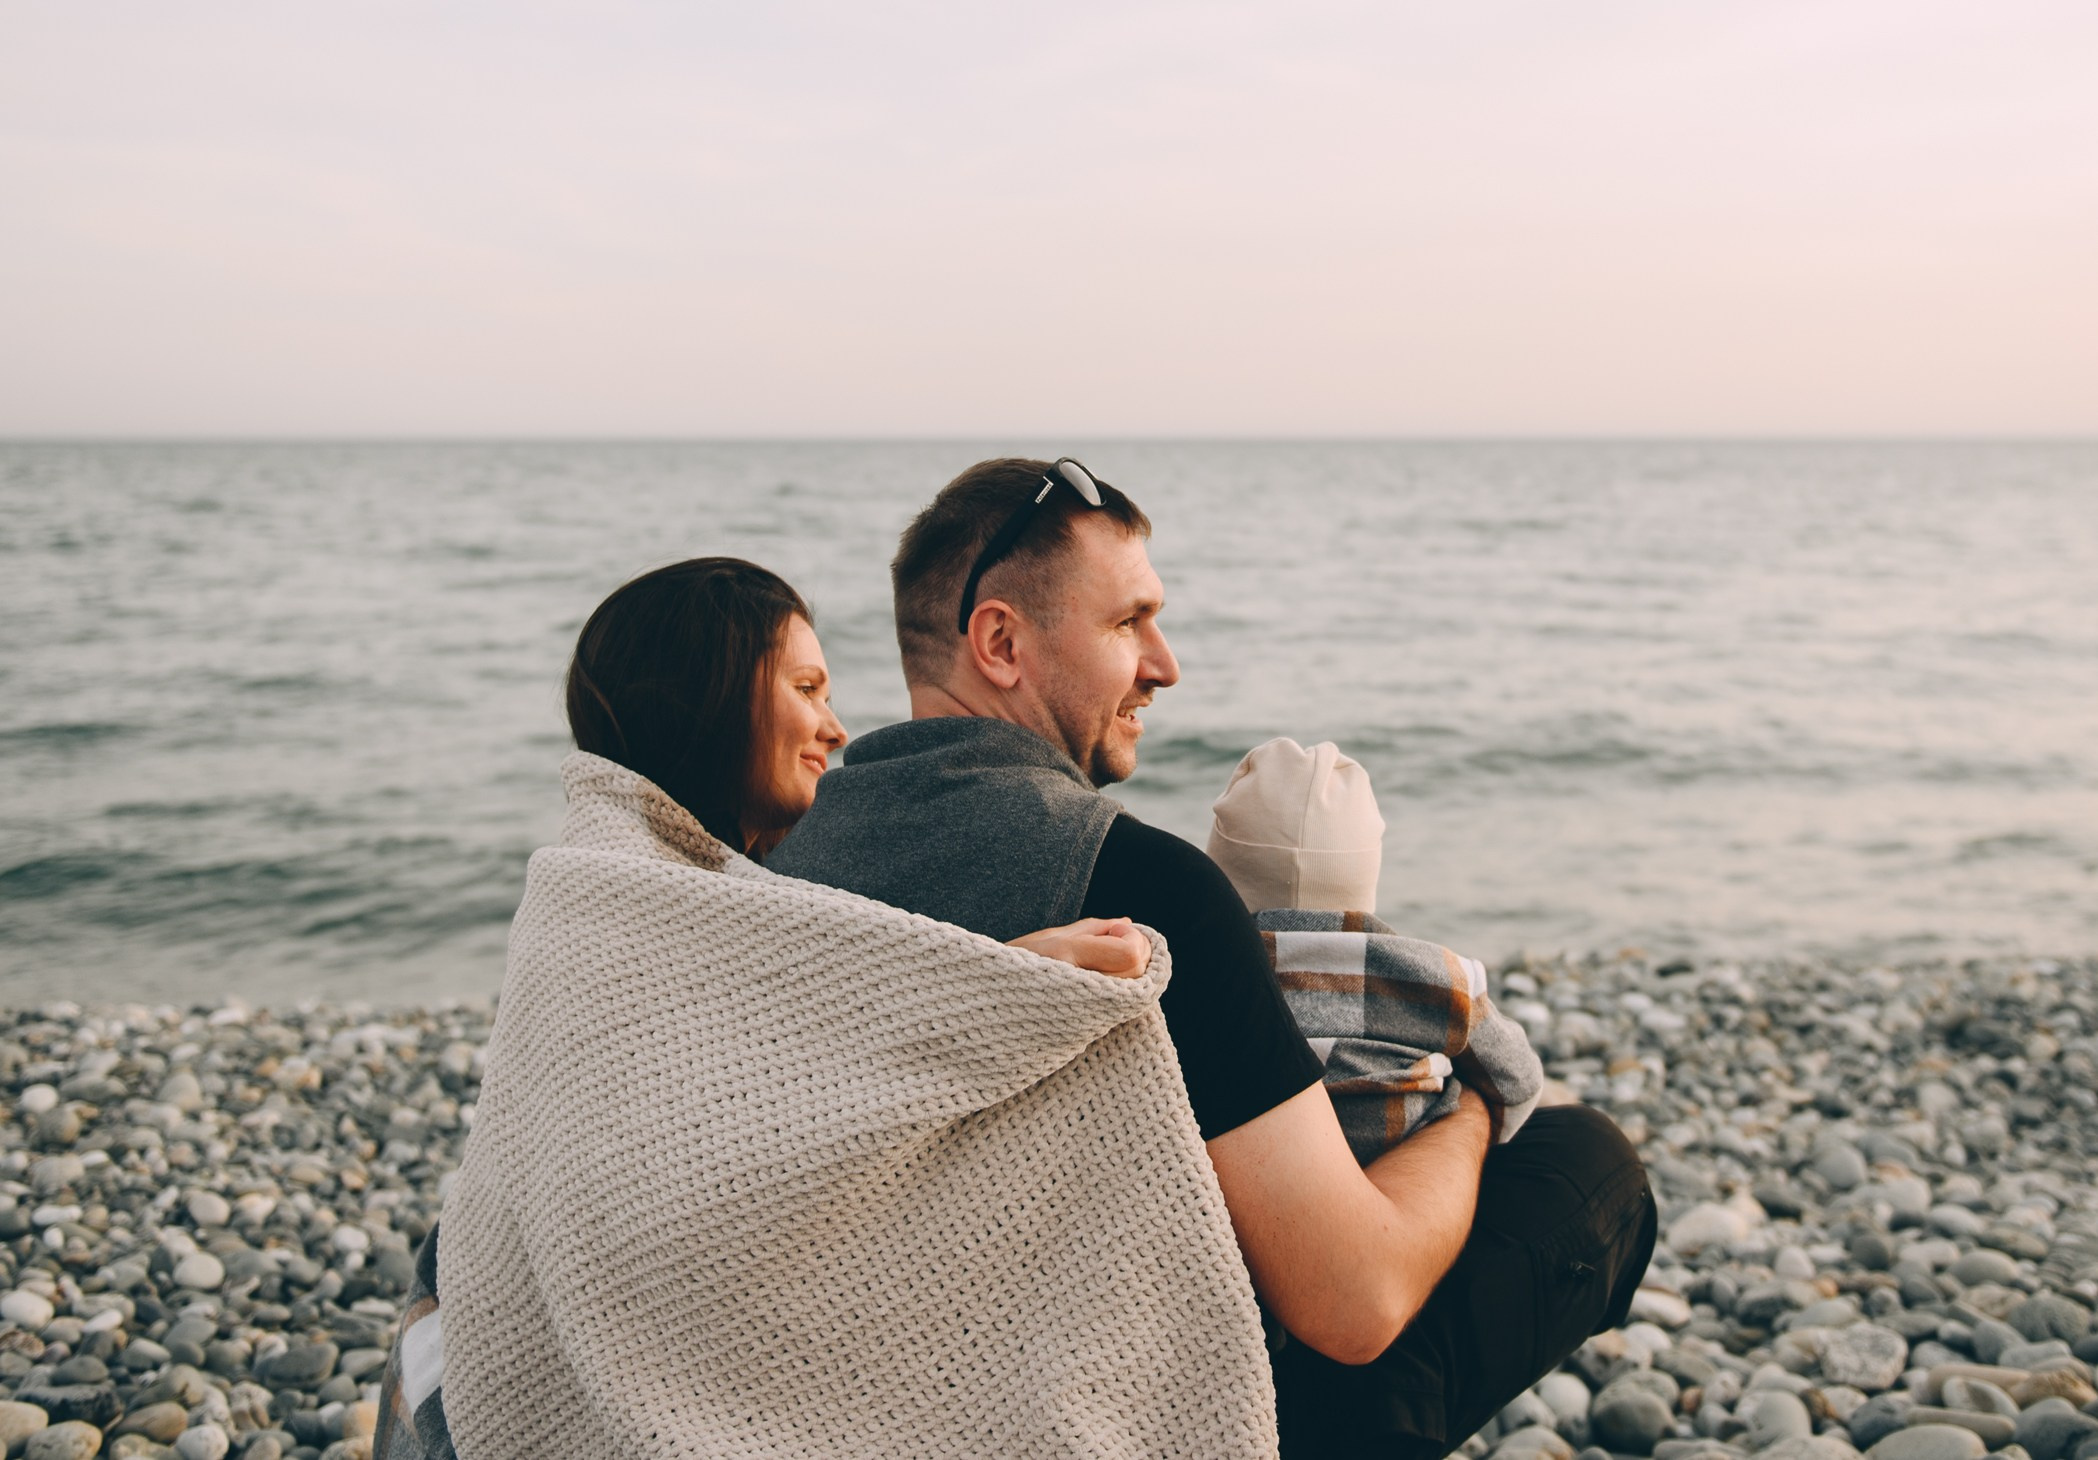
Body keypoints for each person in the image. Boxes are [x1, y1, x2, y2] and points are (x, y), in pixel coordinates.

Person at [768, 457, 1659, 1459]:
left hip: (844, 1390)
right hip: (1098, 1414)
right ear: (1001, 641)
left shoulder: (768, 867)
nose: (1166, 662)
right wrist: (1476, 1106)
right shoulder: (1141, 892)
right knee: (1586, 1165)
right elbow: (1349, 1297)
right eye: (1128, 622)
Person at [376, 556, 1227, 1460]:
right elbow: (745, 1124)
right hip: (491, 1390)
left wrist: (999, 970)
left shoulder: (718, 892)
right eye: (807, 687)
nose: (836, 726)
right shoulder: (604, 894)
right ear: (712, 698)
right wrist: (1014, 988)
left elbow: (772, 1065)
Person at [1206, 735, 1546, 1160]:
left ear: (1219, 875)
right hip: (1414, 1178)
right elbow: (1519, 1084)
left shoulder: (1195, 974)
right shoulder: (1442, 979)